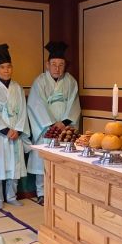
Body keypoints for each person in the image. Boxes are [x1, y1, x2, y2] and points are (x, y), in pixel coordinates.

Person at [27, 41, 81, 205]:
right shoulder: (40, 82)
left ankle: (61, 191)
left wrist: (64, 123)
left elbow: (74, 104)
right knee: (42, 160)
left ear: (65, 65)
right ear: (47, 64)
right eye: (54, 64)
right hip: (46, 127)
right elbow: (36, 104)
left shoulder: (71, 82)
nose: (57, 68)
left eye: (61, 65)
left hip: (64, 126)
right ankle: (41, 192)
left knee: (63, 159)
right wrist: (51, 124)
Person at [0, 44, 31, 210]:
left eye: (9, 67)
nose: (6, 70)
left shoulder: (17, 87)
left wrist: (18, 129)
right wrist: (5, 130)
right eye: (2, 67)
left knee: (14, 165)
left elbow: (23, 111)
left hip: (15, 132)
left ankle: (11, 196)